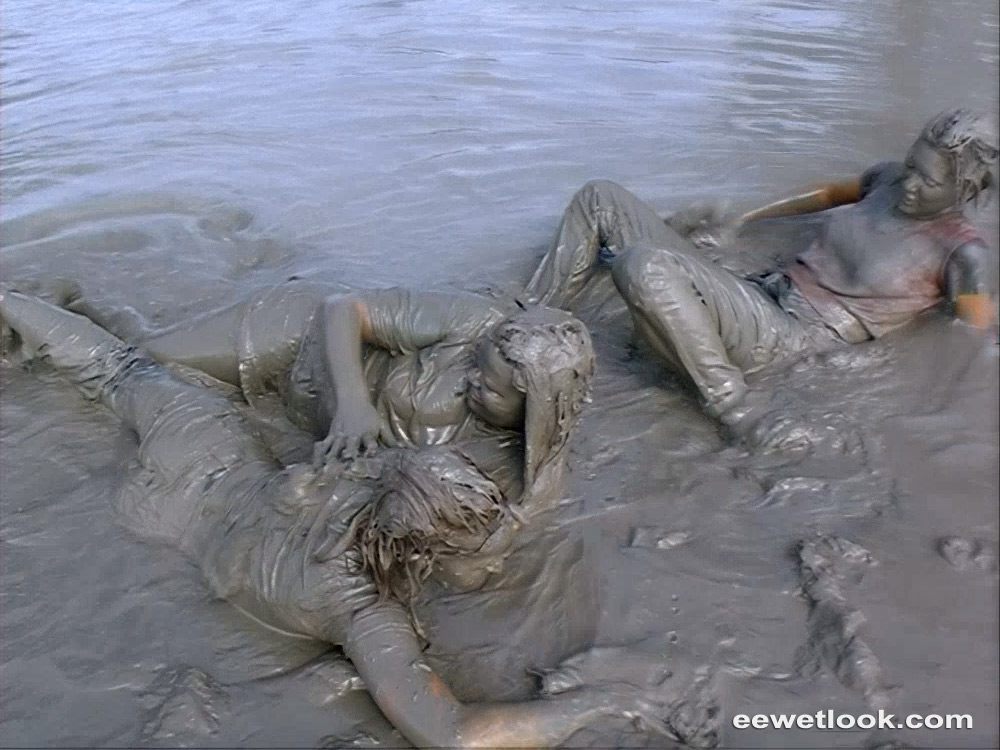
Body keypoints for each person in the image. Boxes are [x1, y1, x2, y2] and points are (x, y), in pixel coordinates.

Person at [0, 289, 685, 749]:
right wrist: (602, 704)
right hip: (157, 519)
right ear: (424, 556)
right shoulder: (362, 610)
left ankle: (13, 300)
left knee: (118, 367)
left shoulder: (337, 476)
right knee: (127, 371)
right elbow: (453, 735)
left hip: (206, 452)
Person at [524, 109, 997, 441]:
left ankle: (735, 408)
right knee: (601, 198)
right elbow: (824, 195)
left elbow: (971, 344)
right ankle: (530, 314)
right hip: (760, 293)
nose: (910, 184)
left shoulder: (961, 253)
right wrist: (743, 220)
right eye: (912, 165)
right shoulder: (886, 180)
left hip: (793, 337)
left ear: (963, 188)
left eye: (928, 181)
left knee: (643, 265)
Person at [65, 281, 594, 511]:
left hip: (298, 407)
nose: (470, 381)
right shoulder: (474, 321)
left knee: (149, 373)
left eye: (490, 388)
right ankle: (71, 303)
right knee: (143, 358)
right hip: (298, 336)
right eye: (476, 367)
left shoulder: (512, 464)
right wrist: (354, 404)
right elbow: (344, 308)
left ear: (534, 409)